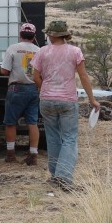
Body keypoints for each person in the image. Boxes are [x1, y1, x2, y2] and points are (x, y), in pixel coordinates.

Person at [31, 21, 100, 191]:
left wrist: (43, 90)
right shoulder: (75, 51)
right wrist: (92, 99)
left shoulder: (42, 52)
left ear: (51, 35)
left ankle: (55, 176)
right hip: (68, 100)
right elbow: (83, 76)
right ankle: (64, 176)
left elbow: (35, 76)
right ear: (65, 34)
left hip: (47, 100)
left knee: (53, 138)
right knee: (69, 138)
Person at [0, 22, 41, 165]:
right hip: (34, 89)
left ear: (20, 34)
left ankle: (11, 155)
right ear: (34, 36)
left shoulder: (13, 48)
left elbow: (4, 71)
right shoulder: (39, 50)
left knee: (11, 122)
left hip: (16, 89)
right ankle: (33, 155)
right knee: (32, 122)